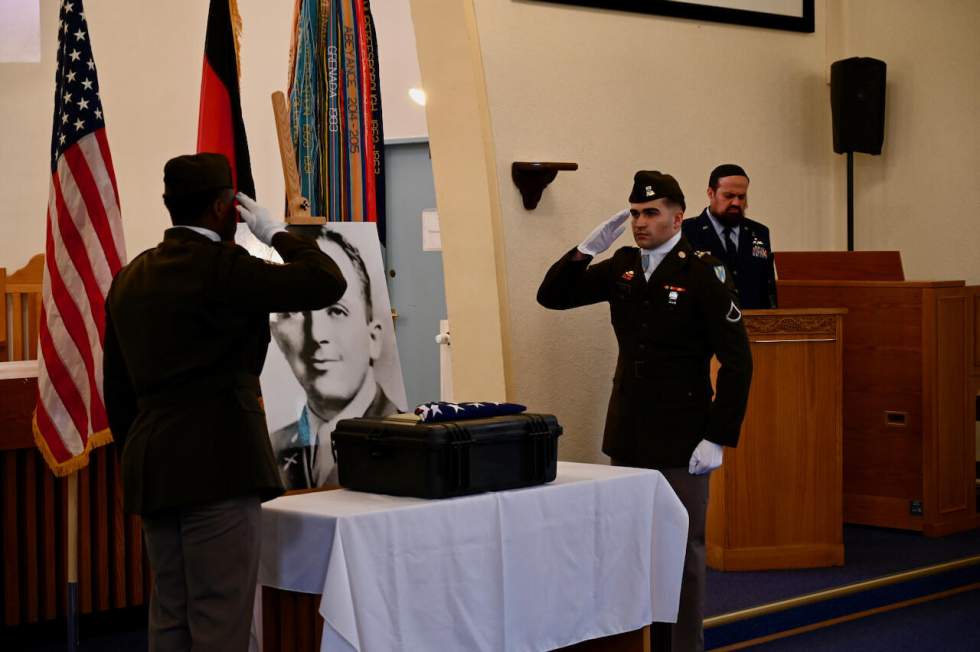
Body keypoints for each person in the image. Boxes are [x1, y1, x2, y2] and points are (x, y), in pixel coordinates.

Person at [102, 153, 347, 651]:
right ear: (223, 208)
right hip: (219, 462)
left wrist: (140, 454)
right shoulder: (227, 268)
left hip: (153, 466)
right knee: (221, 617)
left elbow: (118, 389)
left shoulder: (131, 276)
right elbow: (326, 280)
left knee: (170, 614)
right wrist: (277, 232)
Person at [537, 170, 753, 652]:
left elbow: (738, 361)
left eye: (650, 213)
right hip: (631, 433)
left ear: (677, 217)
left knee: (681, 551)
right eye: (634, 213)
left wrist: (718, 436)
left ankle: (682, 647)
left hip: (684, 437)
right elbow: (552, 296)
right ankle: (636, 643)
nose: (639, 223)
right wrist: (585, 251)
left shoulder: (703, 270)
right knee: (629, 549)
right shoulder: (622, 266)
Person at [269, 226, 399, 490]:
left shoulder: (403, 439)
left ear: (373, 337)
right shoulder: (273, 449)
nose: (316, 335)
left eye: (337, 311)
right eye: (295, 313)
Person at [681, 164, 777, 309]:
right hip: (705, 325)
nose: (736, 203)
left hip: (753, 324)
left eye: (741, 196)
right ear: (710, 193)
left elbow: (767, 288)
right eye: (729, 196)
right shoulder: (686, 231)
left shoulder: (759, 232)